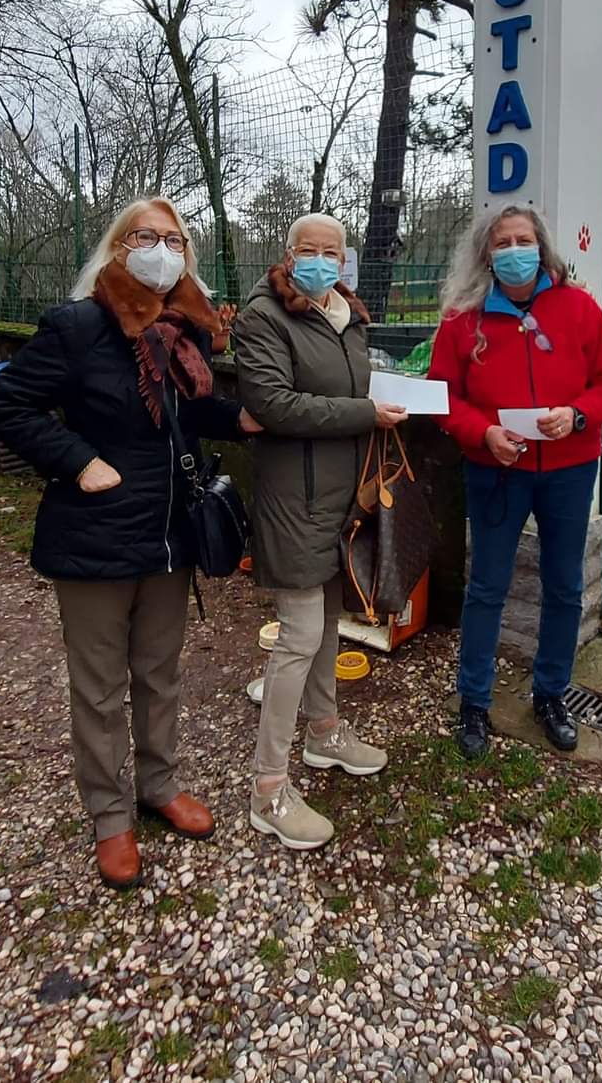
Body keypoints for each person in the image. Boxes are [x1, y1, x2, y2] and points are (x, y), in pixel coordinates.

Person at [0, 197, 261, 889]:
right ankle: (111, 817)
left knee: (160, 673)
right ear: (117, 246)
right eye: (146, 235)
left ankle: (158, 786)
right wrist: (77, 459)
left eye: (174, 239)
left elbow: (187, 413)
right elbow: (7, 404)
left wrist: (242, 418)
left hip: (168, 537)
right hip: (95, 537)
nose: (161, 248)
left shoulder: (182, 332)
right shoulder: (79, 325)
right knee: (101, 688)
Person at [428, 205, 602, 760]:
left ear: (541, 247)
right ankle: (473, 699)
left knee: (564, 588)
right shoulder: (462, 318)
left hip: (568, 469)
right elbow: (444, 396)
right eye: (502, 242)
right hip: (496, 470)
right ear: (486, 254)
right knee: (487, 588)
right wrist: (483, 433)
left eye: (524, 239)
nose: (514, 250)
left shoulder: (579, 308)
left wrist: (577, 415)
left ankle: (550, 693)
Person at [233, 213, 404, 850]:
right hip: (294, 501)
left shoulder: (346, 316)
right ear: (288, 254)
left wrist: (388, 401)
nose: (321, 260)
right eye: (309, 250)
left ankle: (325, 731)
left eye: (332, 251)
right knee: (300, 635)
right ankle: (267, 788)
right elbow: (273, 404)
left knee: (328, 621)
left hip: (341, 501)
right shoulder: (263, 318)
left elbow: (356, 386)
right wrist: (365, 411)